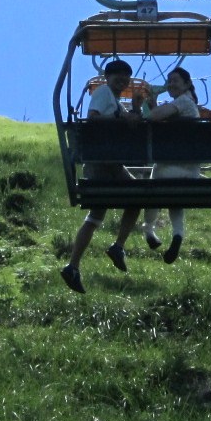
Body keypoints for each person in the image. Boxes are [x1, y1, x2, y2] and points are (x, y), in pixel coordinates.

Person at [60, 59, 143, 294]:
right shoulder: (103, 93)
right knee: (137, 197)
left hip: (107, 163)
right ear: (108, 78)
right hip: (102, 163)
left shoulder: (115, 101)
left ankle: (73, 265)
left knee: (96, 216)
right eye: (118, 77)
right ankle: (116, 247)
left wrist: (136, 108)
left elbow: (132, 122)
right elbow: (94, 117)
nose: (122, 81)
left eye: (126, 78)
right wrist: (121, 119)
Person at [140, 67, 200, 264]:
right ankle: (177, 235)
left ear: (187, 84)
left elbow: (152, 117)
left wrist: (151, 107)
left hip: (166, 171)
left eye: (175, 80)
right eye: (169, 81)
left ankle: (148, 227)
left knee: (155, 182)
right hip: (191, 173)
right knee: (175, 199)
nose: (170, 84)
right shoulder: (188, 104)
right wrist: (155, 105)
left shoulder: (183, 101)